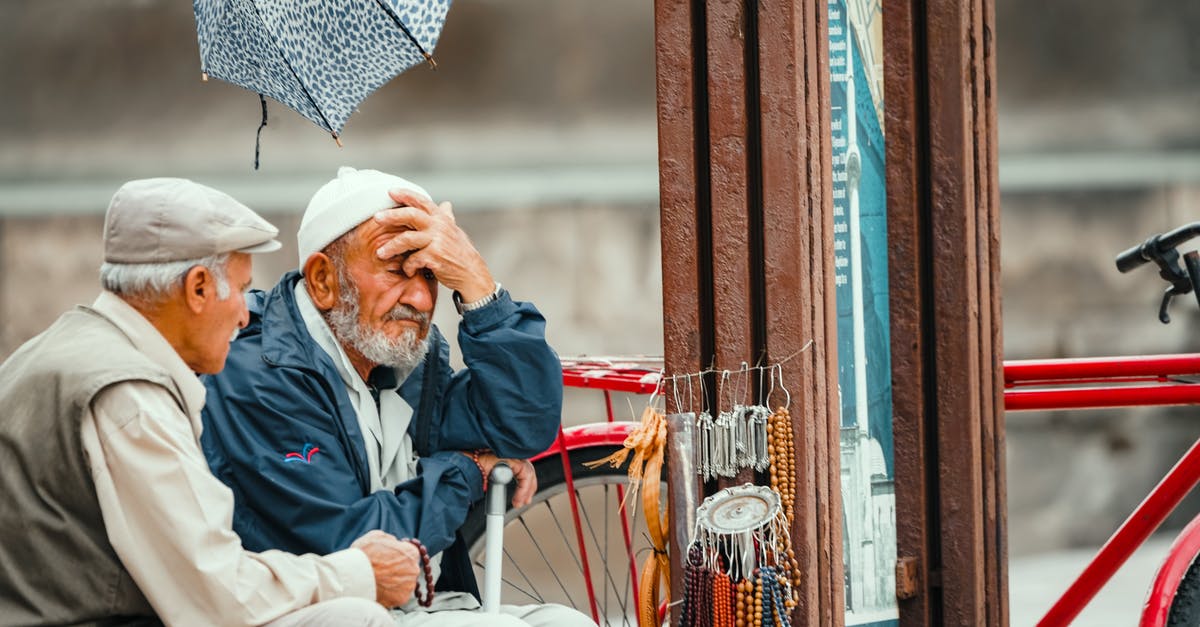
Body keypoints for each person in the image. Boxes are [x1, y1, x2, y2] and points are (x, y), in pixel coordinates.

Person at [0, 178, 422, 627]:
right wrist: (357, 571)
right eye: (240, 289)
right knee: (353, 618)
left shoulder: (59, 348)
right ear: (198, 287)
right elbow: (220, 596)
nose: (244, 314)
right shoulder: (128, 396)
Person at [199, 167, 594, 626]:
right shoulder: (259, 370)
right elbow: (354, 541)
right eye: (397, 271)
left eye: (431, 274)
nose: (424, 300)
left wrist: (479, 287)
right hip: (316, 610)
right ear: (324, 281)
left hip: (412, 604)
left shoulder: (401, 358)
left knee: (568, 622)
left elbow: (522, 424)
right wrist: (465, 470)